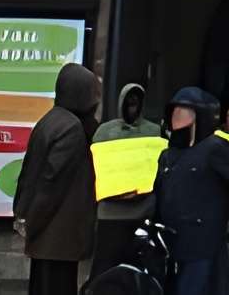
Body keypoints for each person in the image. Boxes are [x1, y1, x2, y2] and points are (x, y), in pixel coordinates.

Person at [154, 87, 229, 295]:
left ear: (202, 118)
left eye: (186, 115)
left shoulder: (214, 148)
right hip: (170, 246)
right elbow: (159, 195)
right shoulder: (167, 155)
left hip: (204, 245)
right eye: (175, 114)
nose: (178, 121)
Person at [10, 62, 100, 295]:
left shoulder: (50, 120)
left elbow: (30, 171)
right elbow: (52, 184)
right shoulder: (72, 129)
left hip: (49, 239)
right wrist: (35, 221)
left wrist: (23, 213)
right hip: (58, 236)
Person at [94, 81, 162, 254]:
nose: (132, 104)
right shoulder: (105, 132)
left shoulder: (154, 131)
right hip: (110, 211)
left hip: (143, 210)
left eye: (136, 100)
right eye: (129, 100)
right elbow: (96, 168)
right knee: (107, 266)